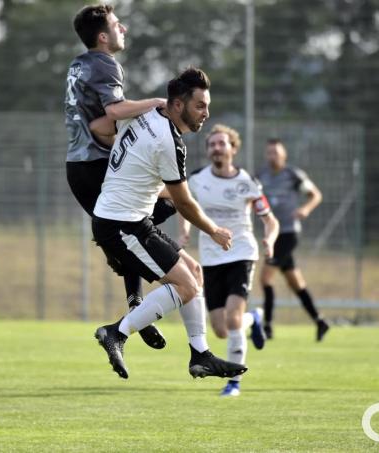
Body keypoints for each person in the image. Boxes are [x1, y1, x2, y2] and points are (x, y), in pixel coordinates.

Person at [91, 67, 247, 381]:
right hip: (122, 225)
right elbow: (184, 202)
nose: (206, 113)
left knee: (194, 275)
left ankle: (200, 355)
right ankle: (117, 333)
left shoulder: (147, 114)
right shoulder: (168, 141)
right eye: (200, 105)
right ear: (177, 105)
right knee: (186, 286)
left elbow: (99, 126)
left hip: (128, 219)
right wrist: (214, 230)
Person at [65, 3, 176, 350]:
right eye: (117, 25)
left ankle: (134, 302)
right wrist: (157, 102)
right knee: (159, 210)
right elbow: (113, 111)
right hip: (96, 166)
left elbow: (100, 122)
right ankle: (138, 290)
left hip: (77, 167)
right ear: (102, 36)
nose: (123, 28)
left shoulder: (78, 64)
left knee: (132, 228)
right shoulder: (104, 63)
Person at [177, 124, 279, 397]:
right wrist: (184, 231)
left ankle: (234, 383)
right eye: (212, 144)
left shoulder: (247, 182)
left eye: (222, 144)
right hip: (211, 258)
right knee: (221, 330)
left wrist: (269, 239)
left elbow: (270, 220)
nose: (216, 148)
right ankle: (254, 318)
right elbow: (184, 206)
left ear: (233, 149)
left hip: (241, 253)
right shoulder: (197, 180)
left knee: (232, 320)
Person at [257, 139, 328, 341]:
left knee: (265, 279)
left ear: (284, 156)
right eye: (270, 153)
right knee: (296, 283)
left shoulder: (293, 175)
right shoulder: (261, 176)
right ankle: (320, 320)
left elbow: (315, 195)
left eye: (277, 153)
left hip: (287, 234)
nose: (273, 157)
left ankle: (267, 326)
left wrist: (305, 209)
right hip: (272, 233)